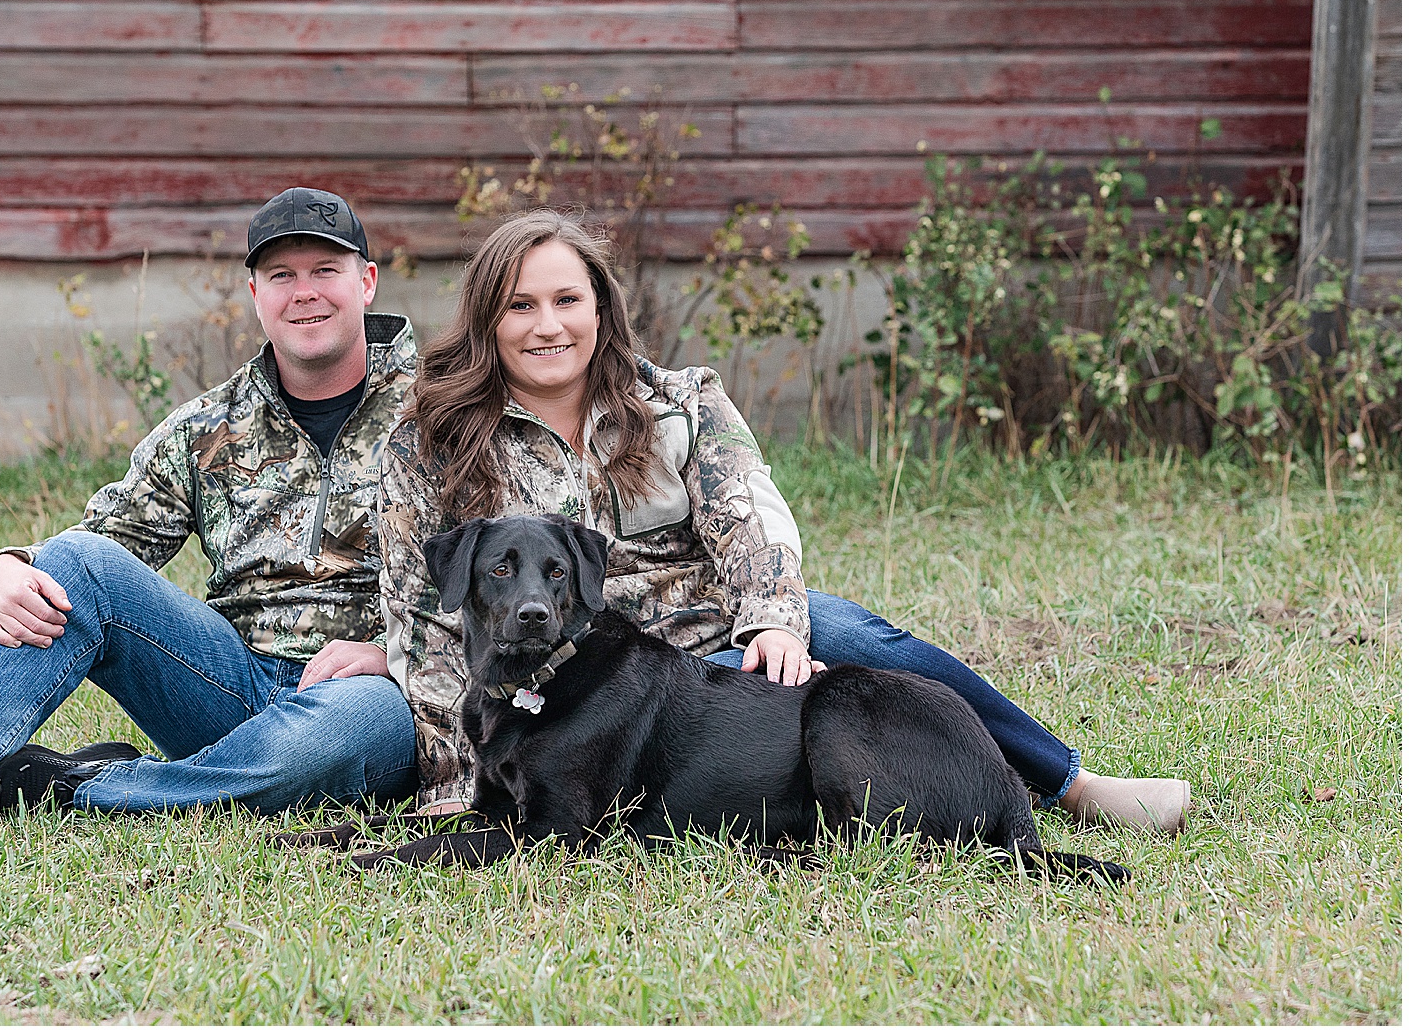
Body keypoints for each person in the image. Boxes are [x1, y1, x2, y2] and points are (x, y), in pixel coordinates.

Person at [378, 209, 1189, 835]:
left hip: (712, 659)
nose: (547, 324)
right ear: (487, 318)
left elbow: (754, 519)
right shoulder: (434, 439)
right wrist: (463, 783)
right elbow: (419, 617)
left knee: (851, 634)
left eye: (567, 300)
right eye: (520, 305)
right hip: (566, 685)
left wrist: (774, 622)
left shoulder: (680, 404)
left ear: (602, 311)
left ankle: (1072, 785)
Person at [0, 188, 417, 849]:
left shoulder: (447, 415)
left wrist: (394, 654)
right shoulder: (211, 425)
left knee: (332, 733)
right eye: (282, 275)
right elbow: (100, 549)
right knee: (70, 564)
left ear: (367, 282)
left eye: (326, 271)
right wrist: (5, 567)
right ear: (255, 293)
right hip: (230, 684)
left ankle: (84, 785)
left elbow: (500, 582)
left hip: (373, 694)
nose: (305, 293)